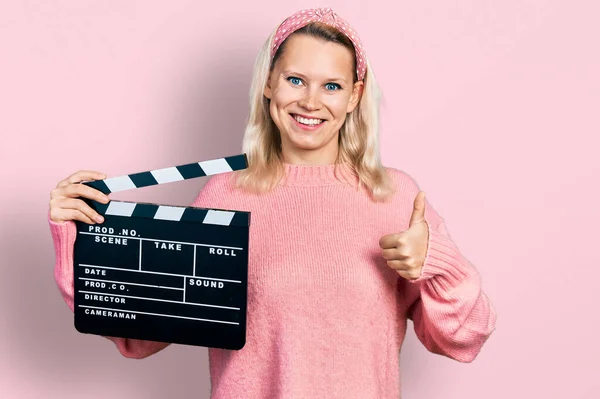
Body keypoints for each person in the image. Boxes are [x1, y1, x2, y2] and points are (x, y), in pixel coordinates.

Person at [48, 7, 496, 398]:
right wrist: (78, 238)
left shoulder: (394, 197)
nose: (310, 101)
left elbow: (465, 337)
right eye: (295, 79)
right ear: (269, 84)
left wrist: (435, 261)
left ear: (355, 97)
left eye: (332, 86)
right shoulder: (225, 194)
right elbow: (138, 338)